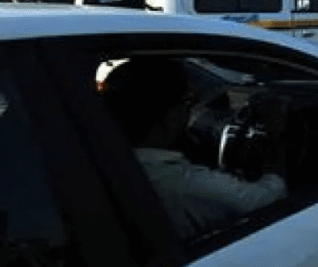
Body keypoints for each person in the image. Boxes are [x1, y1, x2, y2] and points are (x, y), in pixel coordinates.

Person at [101, 57, 288, 239]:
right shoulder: (185, 185)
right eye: (186, 102)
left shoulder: (100, 159)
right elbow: (269, 198)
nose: (189, 112)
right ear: (170, 116)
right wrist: (276, 137)